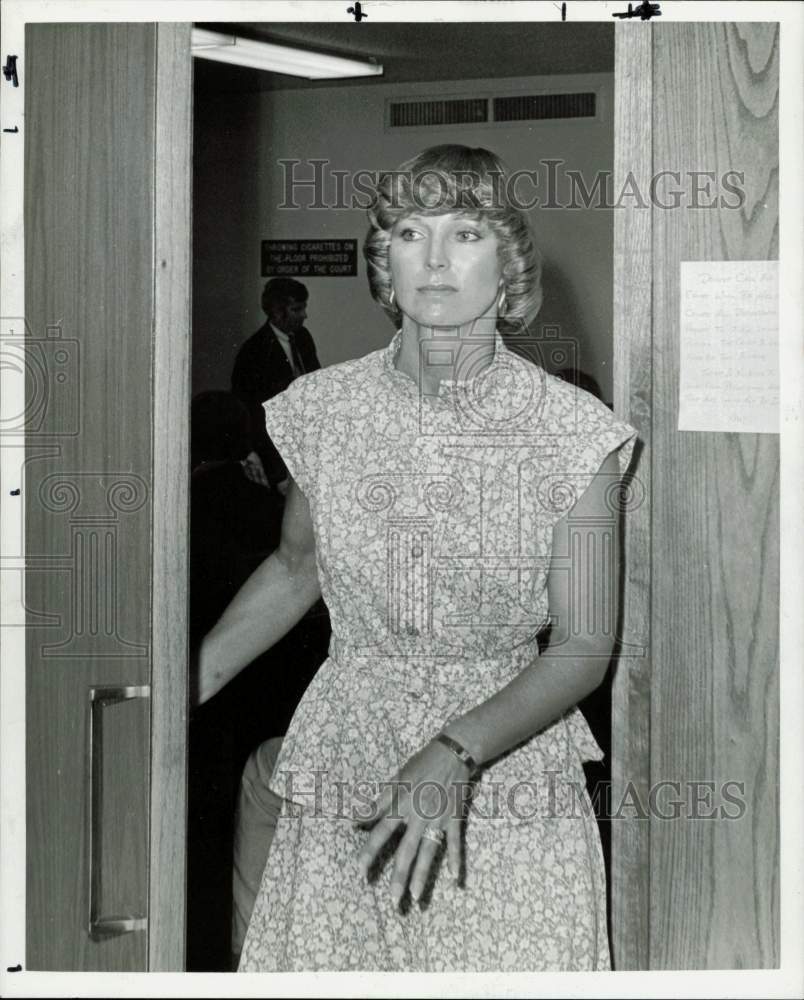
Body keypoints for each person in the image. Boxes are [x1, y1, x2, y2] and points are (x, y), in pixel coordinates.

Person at [198, 144, 637, 971]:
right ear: (383, 265)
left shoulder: (573, 433)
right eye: (408, 231)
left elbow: (583, 645)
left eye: (465, 233)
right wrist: (178, 690)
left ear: (508, 268)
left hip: (503, 770)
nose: (434, 257)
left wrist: (457, 749)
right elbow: (297, 570)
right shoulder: (324, 410)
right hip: (347, 757)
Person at [231, 277, 321, 489]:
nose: (304, 315)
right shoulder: (253, 352)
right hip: (274, 457)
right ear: (277, 311)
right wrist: (277, 473)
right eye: (297, 309)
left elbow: (317, 384)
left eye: (304, 307)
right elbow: (252, 416)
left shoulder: (303, 338)